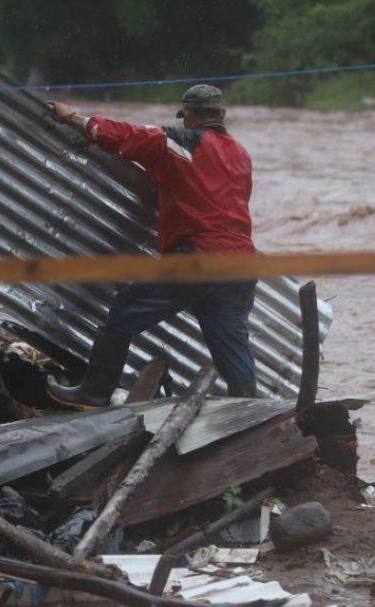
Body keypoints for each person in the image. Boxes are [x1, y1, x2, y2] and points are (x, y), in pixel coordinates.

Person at [44, 84, 259, 406]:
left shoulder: (179, 141)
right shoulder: (241, 154)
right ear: (222, 115)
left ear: (187, 115)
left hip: (197, 258)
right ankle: (250, 410)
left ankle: (95, 392)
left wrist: (71, 116)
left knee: (123, 313)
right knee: (233, 348)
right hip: (242, 265)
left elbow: (125, 134)